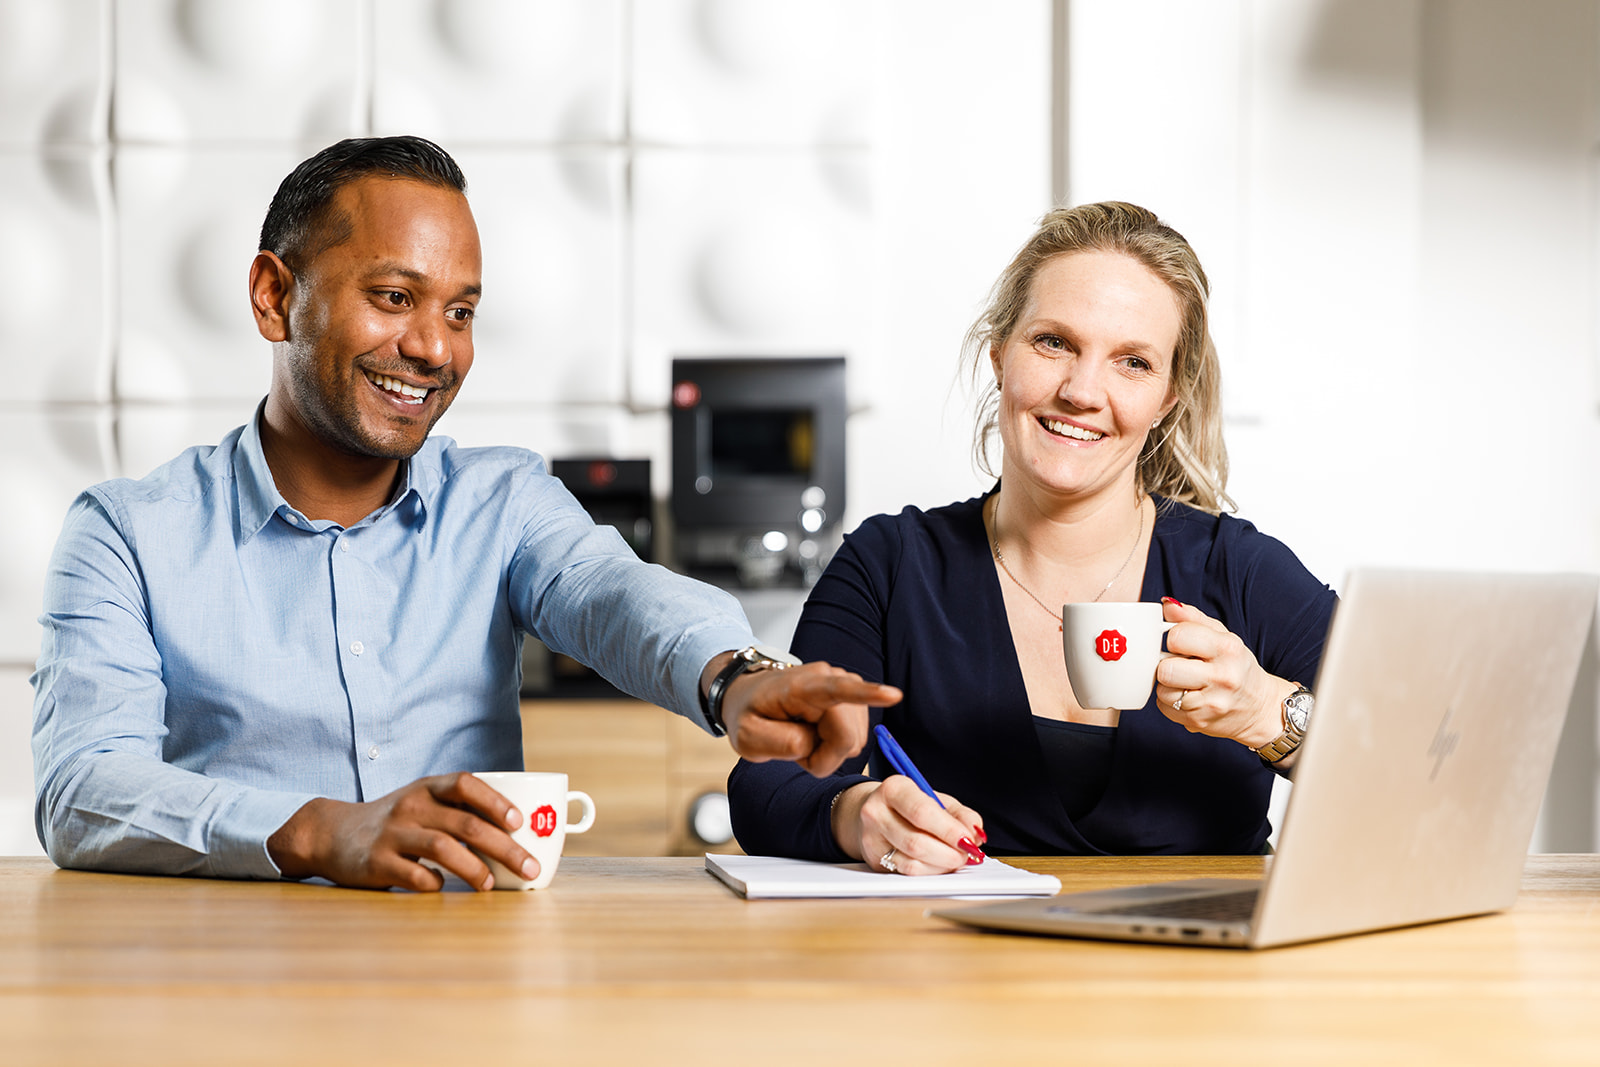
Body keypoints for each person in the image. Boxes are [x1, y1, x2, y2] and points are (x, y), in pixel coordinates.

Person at [30, 135, 898, 891]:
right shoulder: (124, 534)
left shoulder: (503, 499)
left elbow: (609, 592)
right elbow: (83, 789)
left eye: (461, 312)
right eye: (394, 297)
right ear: (272, 296)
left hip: (470, 973)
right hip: (225, 981)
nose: (435, 348)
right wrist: (327, 830)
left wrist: (733, 673)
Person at [727, 201, 1337, 874]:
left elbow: (1421, 768)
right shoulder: (891, 566)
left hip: (1201, 975)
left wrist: (1269, 714)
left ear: (1166, 397)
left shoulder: (1242, 572)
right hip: (962, 967)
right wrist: (859, 814)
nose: (1081, 390)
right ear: (999, 353)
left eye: (1132, 361)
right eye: (1054, 342)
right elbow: (768, 786)